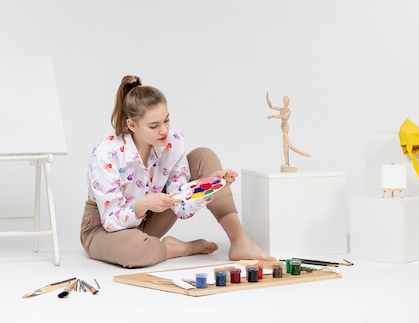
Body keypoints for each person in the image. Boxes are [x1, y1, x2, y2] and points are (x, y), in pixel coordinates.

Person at [80, 75, 274, 268]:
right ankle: (173, 249)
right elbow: (110, 221)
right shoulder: (106, 153)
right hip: (105, 230)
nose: (164, 130)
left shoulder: (173, 142)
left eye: (166, 120)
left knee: (204, 156)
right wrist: (143, 204)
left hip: (150, 218)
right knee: (134, 250)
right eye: (154, 126)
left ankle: (240, 241)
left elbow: (182, 209)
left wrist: (208, 187)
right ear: (132, 125)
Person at [266, 92, 311, 172]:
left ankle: (303, 153)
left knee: (289, 145)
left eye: (287, 101)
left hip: (286, 129)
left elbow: (284, 116)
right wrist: (267, 99)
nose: (285, 102)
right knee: (284, 148)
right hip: (282, 129)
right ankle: (287, 163)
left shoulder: (288, 110)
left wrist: (273, 116)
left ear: (288, 102)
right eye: (284, 100)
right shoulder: (282, 109)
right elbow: (271, 107)